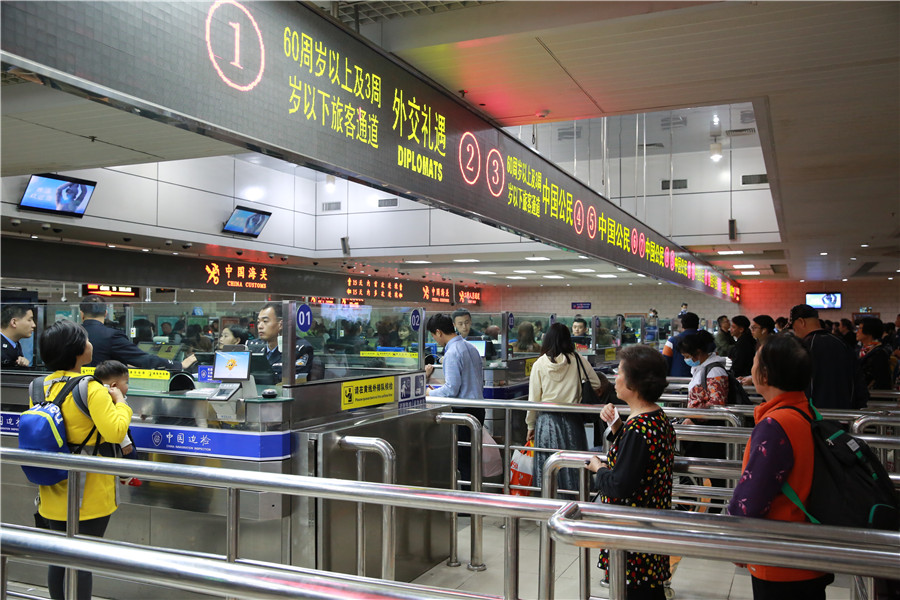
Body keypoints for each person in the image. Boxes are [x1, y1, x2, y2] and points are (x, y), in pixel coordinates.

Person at [728, 334, 835, 599]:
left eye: (755, 361)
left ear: (764, 375)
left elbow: (751, 500)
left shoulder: (775, 425)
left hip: (780, 558)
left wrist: (735, 539)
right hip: (809, 549)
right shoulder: (807, 411)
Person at [34, 320, 133, 600]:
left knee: (58, 559)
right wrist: (121, 403)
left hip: (51, 487)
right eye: (86, 340)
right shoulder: (91, 388)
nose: (90, 344)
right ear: (78, 351)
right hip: (89, 493)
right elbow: (115, 432)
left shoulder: (39, 386)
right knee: (82, 563)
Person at [586, 345, 676, 599]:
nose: (615, 378)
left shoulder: (638, 429)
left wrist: (599, 468)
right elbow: (640, 460)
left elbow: (619, 485)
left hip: (632, 534)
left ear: (634, 383)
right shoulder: (656, 418)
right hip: (650, 527)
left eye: (620, 372)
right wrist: (617, 427)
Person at [526, 323, 603, 492]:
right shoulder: (578, 360)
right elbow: (596, 383)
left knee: (548, 466)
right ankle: (576, 499)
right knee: (574, 465)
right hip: (572, 419)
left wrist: (530, 425)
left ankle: (549, 500)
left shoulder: (539, 364)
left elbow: (533, 400)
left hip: (546, 421)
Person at [425, 313, 485, 487]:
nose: (435, 339)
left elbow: (451, 389)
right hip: (478, 409)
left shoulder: (452, 353)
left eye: (434, 335)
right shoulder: (470, 347)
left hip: (463, 412)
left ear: (439, 332)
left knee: (464, 461)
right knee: (472, 457)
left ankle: (467, 498)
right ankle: (474, 494)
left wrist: (429, 394)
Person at [79, 296, 196, 370]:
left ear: (81, 314)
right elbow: (144, 359)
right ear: (105, 313)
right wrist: (178, 365)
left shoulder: (72, 333)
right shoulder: (111, 335)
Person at [789, 304, 868, 409]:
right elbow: (859, 383)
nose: (795, 332)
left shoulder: (803, 347)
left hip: (814, 413)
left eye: (794, 327)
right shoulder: (842, 343)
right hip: (845, 413)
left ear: (801, 322)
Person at [679, 330, 728, 488]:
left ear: (698, 353)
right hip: (698, 426)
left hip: (709, 428)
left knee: (714, 473)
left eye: (687, 356)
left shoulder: (715, 371)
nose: (686, 360)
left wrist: (695, 418)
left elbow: (717, 404)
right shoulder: (702, 368)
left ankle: (716, 500)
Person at [93, 360, 143, 486]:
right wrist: (125, 443)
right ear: (114, 386)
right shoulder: (109, 398)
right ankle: (127, 477)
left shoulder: (96, 393)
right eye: (126, 382)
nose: (127, 386)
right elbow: (116, 424)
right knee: (130, 453)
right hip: (113, 439)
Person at [250, 302, 314, 380]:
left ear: (281, 324)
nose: (260, 326)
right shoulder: (254, 346)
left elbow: (291, 380)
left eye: (265, 321)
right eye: (258, 322)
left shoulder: (299, 348)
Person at [856, 317, 892, 390]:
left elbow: (882, 381)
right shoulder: (862, 349)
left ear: (869, 330)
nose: (857, 331)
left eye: (860, 328)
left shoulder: (879, 353)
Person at [662, 311, 699, 377]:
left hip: (677, 380)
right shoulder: (707, 340)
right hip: (703, 379)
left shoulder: (672, 341)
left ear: (682, 325)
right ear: (698, 325)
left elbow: (664, 362)